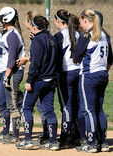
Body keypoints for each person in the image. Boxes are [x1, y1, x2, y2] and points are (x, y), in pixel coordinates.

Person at [16, 15, 59, 150]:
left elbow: (36, 63)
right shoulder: (52, 38)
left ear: (34, 27)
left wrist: (29, 81)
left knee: (26, 107)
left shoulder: (37, 41)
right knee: (49, 110)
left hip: (39, 80)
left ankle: (28, 139)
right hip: (51, 80)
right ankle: (53, 141)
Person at [74, 9, 112, 153]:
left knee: (88, 110)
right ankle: (103, 142)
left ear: (86, 20)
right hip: (103, 75)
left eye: (81, 21)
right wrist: (102, 71)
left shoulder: (87, 35)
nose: (81, 25)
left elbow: (76, 57)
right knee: (98, 109)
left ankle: (91, 142)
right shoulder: (105, 36)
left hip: (89, 76)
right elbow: (110, 60)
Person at [0, 6, 25, 144]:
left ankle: (14, 135)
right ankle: (7, 131)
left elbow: (12, 58)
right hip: (8, 71)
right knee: (3, 102)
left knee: (12, 103)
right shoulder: (8, 34)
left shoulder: (13, 35)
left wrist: (6, 75)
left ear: (7, 18)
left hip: (13, 72)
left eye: (1, 18)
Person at [17, 11, 49, 145]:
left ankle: (31, 138)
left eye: (26, 21)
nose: (25, 23)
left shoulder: (37, 38)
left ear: (31, 23)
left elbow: (39, 59)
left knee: (33, 107)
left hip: (38, 78)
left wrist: (26, 59)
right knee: (44, 108)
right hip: (47, 77)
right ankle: (47, 135)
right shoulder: (40, 37)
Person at [54, 9, 82, 148]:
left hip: (66, 73)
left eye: (55, 20)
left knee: (66, 106)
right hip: (79, 72)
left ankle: (65, 138)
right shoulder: (78, 33)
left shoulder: (59, 36)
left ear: (59, 21)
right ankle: (77, 136)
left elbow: (56, 57)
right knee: (76, 105)